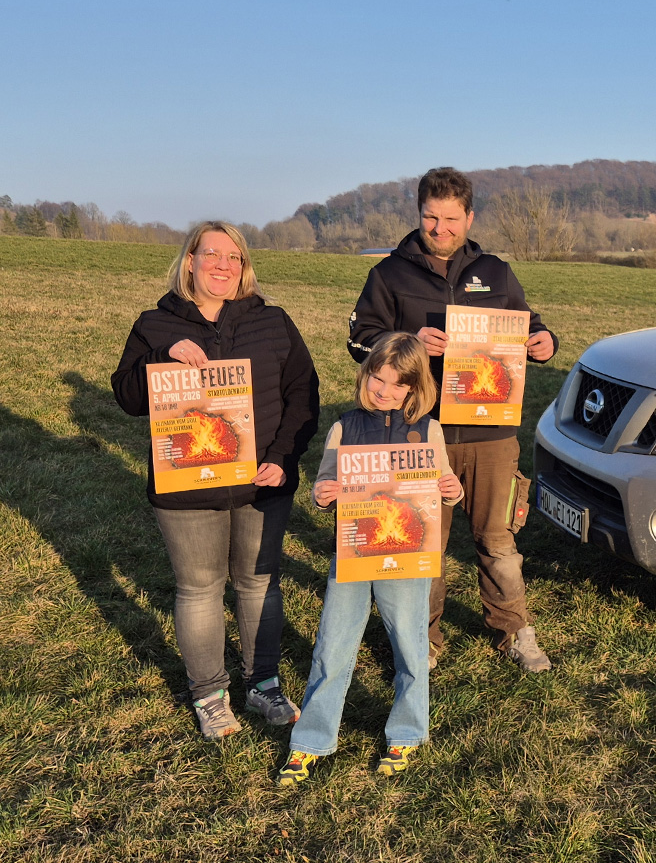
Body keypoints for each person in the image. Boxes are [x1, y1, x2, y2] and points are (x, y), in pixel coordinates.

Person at [112, 221, 320, 739]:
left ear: (245, 266)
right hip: (187, 487)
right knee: (200, 589)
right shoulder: (154, 324)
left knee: (258, 585)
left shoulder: (272, 322)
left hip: (262, 481)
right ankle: (209, 693)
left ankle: (263, 683)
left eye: (234, 257)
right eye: (212, 255)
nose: (223, 265)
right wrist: (162, 360)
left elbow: (304, 394)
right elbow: (129, 397)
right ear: (189, 261)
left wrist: (283, 458)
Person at [347, 167, 558, 672]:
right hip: (419, 429)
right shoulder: (388, 274)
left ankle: (514, 630)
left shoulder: (496, 270)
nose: (440, 228)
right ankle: (422, 639)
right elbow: (359, 342)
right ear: (418, 213)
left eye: (450, 218)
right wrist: (408, 340)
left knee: (498, 540)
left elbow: (527, 321)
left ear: (469, 216)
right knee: (423, 544)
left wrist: (545, 341)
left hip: (492, 434)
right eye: (430, 217)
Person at [277, 333, 462, 785]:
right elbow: (324, 484)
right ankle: (311, 741)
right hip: (355, 553)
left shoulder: (429, 431)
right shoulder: (345, 426)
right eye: (378, 379)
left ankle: (407, 732)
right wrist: (324, 494)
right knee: (333, 644)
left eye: (398, 386)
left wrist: (451, 489)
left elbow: (444, 481)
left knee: (411, 643)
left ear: (416, 390)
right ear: (366, 376)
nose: (384, 391)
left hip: (406, 557)